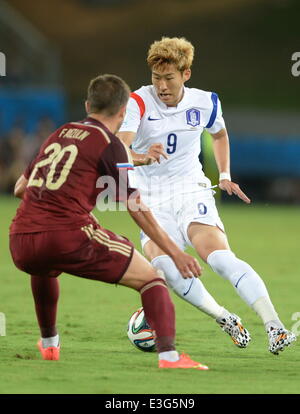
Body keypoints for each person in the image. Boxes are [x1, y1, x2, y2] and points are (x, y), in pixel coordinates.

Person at [9, 73, 209, 370]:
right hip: (67, 234)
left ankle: (49, 344)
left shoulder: (60, 132)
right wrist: (175, 253)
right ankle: (169, 357)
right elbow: (135, 206)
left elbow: (20, 189)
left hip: (21, 239)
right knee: (152, 278)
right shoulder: (108, 142)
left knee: (44, 267)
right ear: (124, 111)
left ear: (88, 104)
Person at [117, 37, 296, 355]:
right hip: (150, 197)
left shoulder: (206, 102)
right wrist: (142, 156)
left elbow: (220, 134)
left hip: (190, 188)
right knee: (169, 272)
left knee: (220, 258)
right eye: (156, 78)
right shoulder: (138, 102)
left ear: (186, 74)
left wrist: (225, 175)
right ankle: (225, 318)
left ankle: (275, 327)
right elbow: (119, 148)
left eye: (169, 78)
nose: (161, 86)